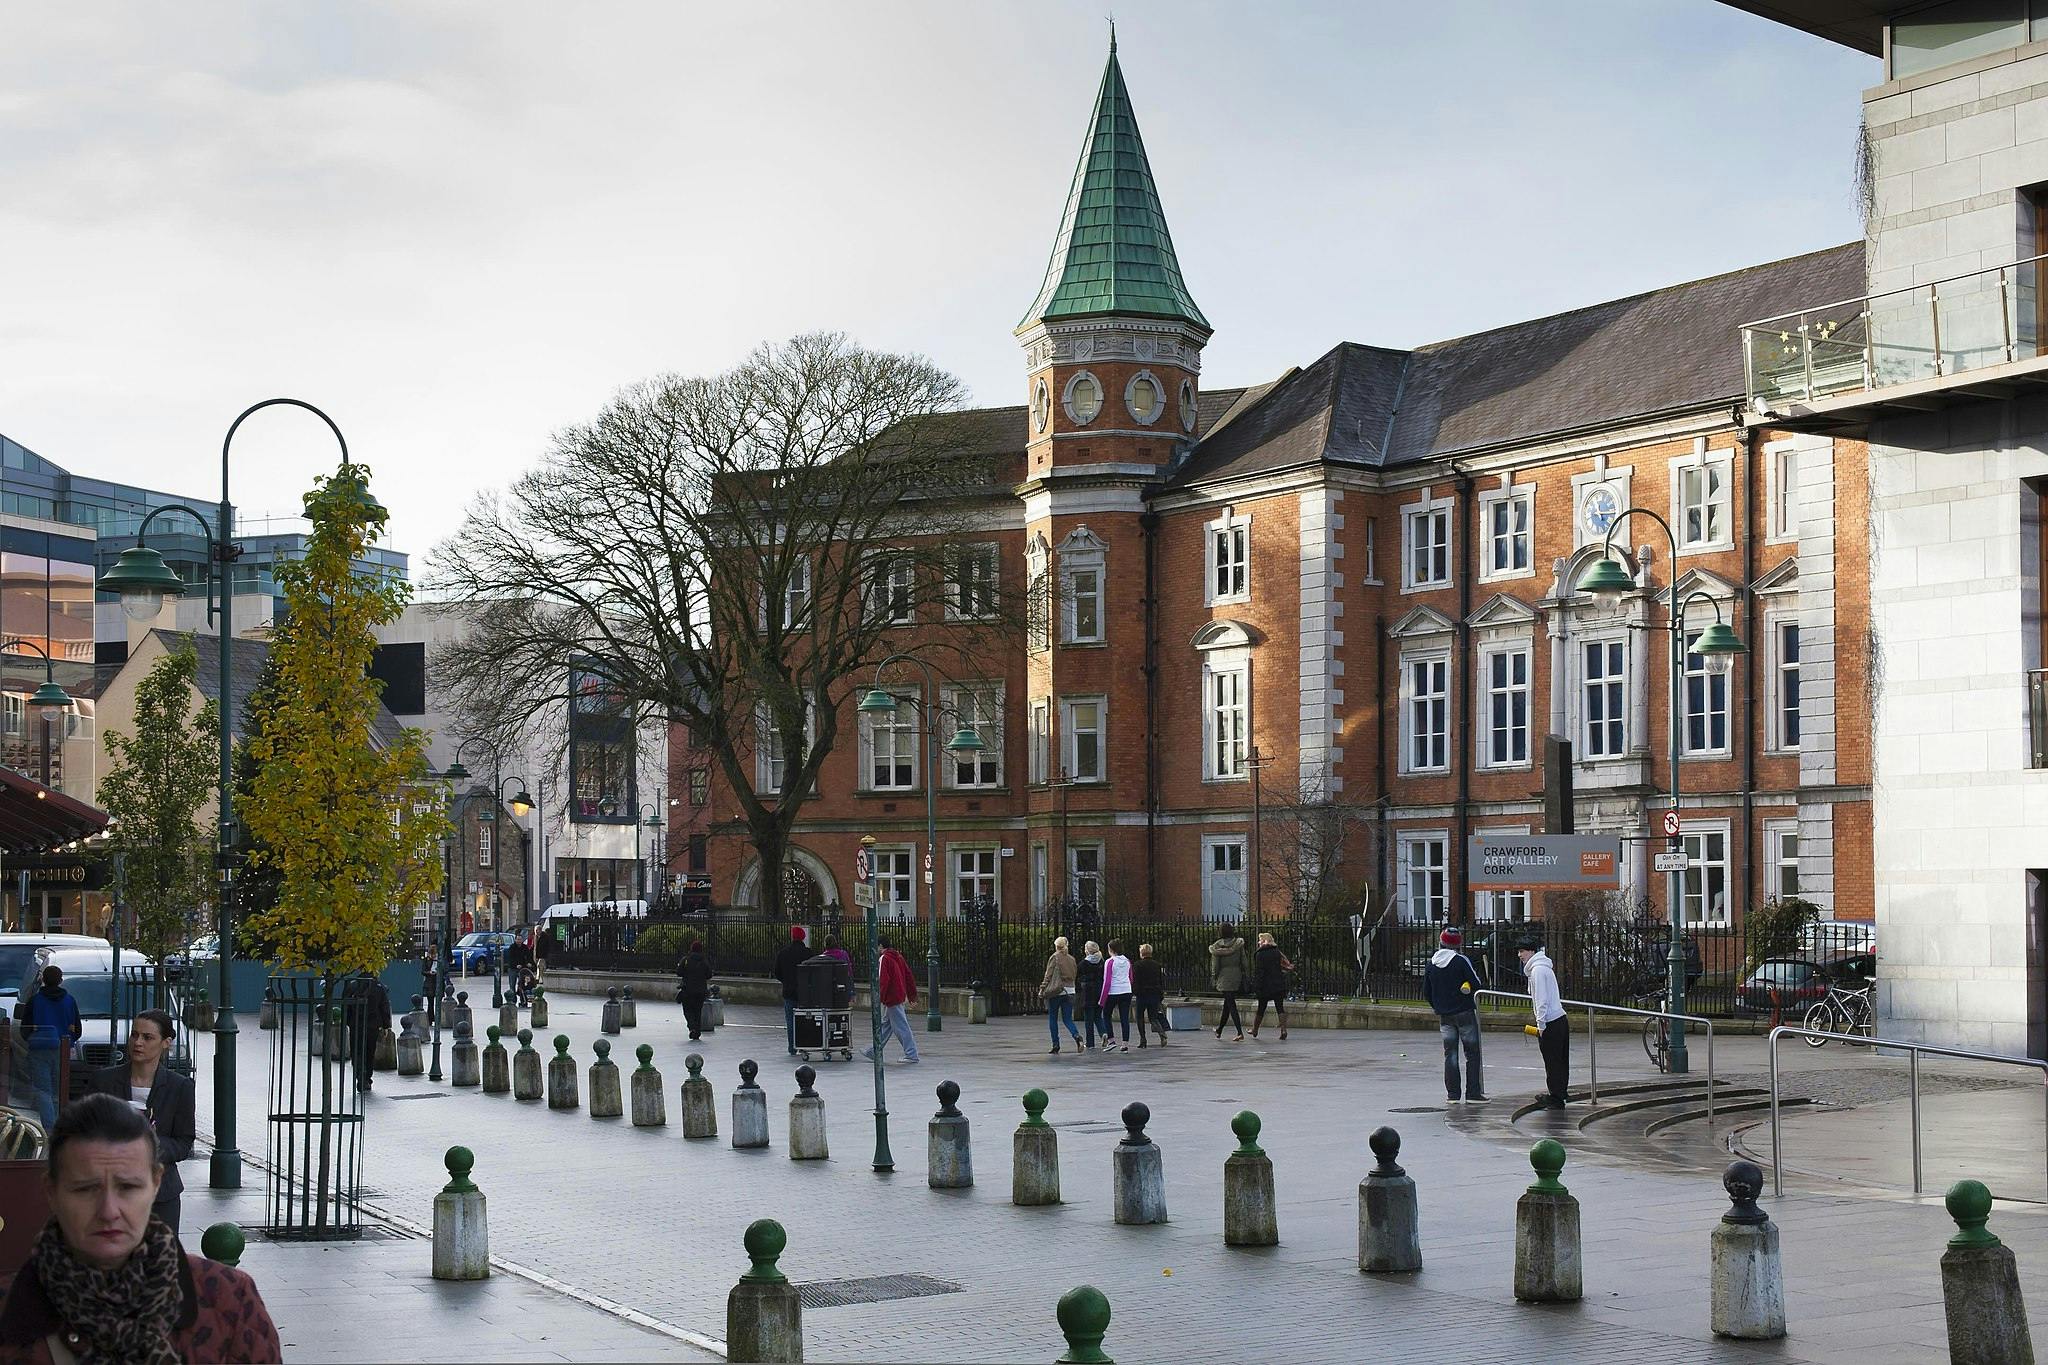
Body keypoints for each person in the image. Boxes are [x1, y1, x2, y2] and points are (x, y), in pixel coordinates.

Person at [0, 1093, 282, 1363]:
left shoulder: (227, 1299)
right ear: (51, 1191)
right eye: (86, 1189)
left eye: (128, 1187)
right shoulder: (9, 1312)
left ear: (156, 1183)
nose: (109, 1211)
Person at [85, 1010, 196, 1234]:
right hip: (108, 1190)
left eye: (147, 1037)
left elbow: (184, 1142)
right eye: (134, 1035)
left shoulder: (180, 1086)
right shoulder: (103, 1081)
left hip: (161, 1193)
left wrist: (148, 1147)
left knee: (159, 1260)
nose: (138, 1042)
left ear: (166, 1043)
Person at [13, 967, 83, 1131]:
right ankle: (60, 1125)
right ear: (61, 980)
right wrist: (68, 1039)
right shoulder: (69, 1001)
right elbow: (77, 1030)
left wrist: (34, 1038)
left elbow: (25, 1028)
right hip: (62, 1050)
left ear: (43, 980)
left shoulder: (35, 1000)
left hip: (39, 1049)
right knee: (60, 1090)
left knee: (43, 1090)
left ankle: (50, 1129)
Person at [1423, 929, 1486, 1103]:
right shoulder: (1460, 961)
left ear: (1441, 943)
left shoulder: (1432, 964)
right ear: (1458, 945)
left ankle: (1453, 1095)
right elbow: (1476, 983)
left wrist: (1438, 1006)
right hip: (1464, 1011)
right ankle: (1473, 1093)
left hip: (1445, 1015)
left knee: (1450, 1054)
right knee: (1472, 1052)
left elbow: (1426, 991)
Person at [1520, 935, 1568, 1108]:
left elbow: (1541, 1000)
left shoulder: (1538, 971)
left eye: (1522, 951)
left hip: (1551, 1021)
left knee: (1552, 1061)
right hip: (1559, 1018)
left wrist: (1541, 1025)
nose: (1520, 955)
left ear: (1532, 951)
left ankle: (1556, 1097)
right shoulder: (1544, 967)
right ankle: (1559, 1093)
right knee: (1559, 1060)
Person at [862, 938, 919, 1064]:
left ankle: (911, 1054)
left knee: (901, 1026)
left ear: (881, 946)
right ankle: (874, 1050)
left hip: (891, 997)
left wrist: (879, 998)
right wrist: (911, 995)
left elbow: (883, 980)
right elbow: (908, 975)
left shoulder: (884, 958)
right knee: (886, 1025)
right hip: (898, 995)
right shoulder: (898, 956)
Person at [340, 971, 392, 1094]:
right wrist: (386, 1026)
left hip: (356, 1025)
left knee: (357, 1052)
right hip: (372, 1026)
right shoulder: (378, 986)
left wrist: (348, 1022)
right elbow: (384, 1007)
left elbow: (345, 1006)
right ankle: (367, 1078)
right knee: (369, 1052)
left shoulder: (352, 985)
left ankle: (359, 1075)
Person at [1039, 936, 1082, 1055]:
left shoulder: (1055, 957)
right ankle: (1077, 1036)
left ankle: (1056, 1044)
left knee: (1053, 1018)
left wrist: (1043, 988)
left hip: (1057, 990)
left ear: (1056, 946)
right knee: (1067, 1018)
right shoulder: (1072, 959)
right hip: (1070, 990)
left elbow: (1048, 975)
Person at [773, 926, 811, 1057]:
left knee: (790, 1020)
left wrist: (786, 981)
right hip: (805, 993)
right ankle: (804, 1044)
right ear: (803, 937)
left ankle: (792, 1046)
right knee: (805, 1019)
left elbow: (777, 972)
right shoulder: (808, 953)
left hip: (789, 991)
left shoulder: (783, 953)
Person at [1249, 932, 1293, 1041]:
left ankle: (1255, 1029)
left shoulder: (1260, 954)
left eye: (1260, 940)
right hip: (1277, 982)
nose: (1258, 942)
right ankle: (1283, 1029)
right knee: (1280, 1007)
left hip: (1265, 985)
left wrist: (1256, 985)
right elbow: (1283, 964)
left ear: (1264, 941)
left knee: (1261, 1008)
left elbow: (1259, 972)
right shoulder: (1277, 952)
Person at [1208, 927, 1247, 1041]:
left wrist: (1214, 976)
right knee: (1228, 1003)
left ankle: (1239, 1032)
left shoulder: (1216, 947)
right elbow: (1244, 960)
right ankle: (1219, 1029)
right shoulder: (1238, 944)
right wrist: (1244, 971)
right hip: (1236, 974)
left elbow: (1215, 965)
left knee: (1231, 1004)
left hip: (1224, 976)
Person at [1098, 940, 1135, 1052]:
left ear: (1111, 950)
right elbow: (1131, 978)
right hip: (1126, 990)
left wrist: (1102, 999)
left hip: (1113, 992)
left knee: (1106, 1015)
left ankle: (1111, 1040)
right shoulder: (1127, 961)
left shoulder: (1109, 962)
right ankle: (1125, 1044)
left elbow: (1107, 981)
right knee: (1124, 1018)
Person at [676, 940, 713, 1041]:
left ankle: (692, 1027)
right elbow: (709, 974)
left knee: (687, 1010)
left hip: (687, 990)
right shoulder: (704, 960)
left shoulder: (686, 960)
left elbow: (679, 972)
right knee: (697, 1011)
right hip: (701, 991)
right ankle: (697, 1030)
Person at [1131, 944, 1168, 1047]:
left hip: (1142, 994)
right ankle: (1162, 1033)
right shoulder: (1157, 965)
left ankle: (1143, 1039)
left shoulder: (1137, 965)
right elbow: (1161, 981)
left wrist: (1136, 991)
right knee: (1153, 1017)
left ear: (1141, 953)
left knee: (1140, 1017)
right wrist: (1160, 994)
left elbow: (1135, 981)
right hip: (1154, 994)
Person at [1076, 942, 1106, 1052]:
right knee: (1098, 1016)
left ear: (1087, 950)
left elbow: (1077, 976)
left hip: (1088, 992)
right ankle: (1104, 1033)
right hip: (1099, 990)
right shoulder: (1102, 962)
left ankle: (1090, 1043)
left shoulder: (1083, 963)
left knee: (1088, 1019)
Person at [504, 935, 535, 1005]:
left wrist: (529, 963)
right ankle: (512, 1000)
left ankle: (523, 1000)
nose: (519, 941)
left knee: (522, 985)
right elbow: (510, 958)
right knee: (512, 985)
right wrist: (515, 965)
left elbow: (528, 956)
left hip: (522, 969)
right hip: (513, 968)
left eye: (520, 939)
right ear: (515, 940)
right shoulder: (512, 947)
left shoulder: (525, 947)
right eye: (517, 939)